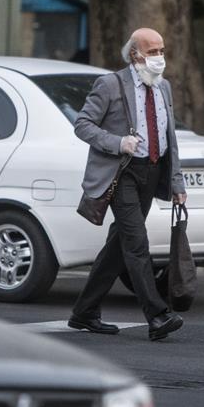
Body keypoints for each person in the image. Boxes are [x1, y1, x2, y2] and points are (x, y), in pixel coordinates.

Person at [68, 27, 187, 341]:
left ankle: (84, 312)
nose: (159, 58)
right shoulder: (110, 84)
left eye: (162, 51)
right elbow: (82, 125)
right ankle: (158, 316)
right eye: (152, 52)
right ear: (135, 54)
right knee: (136, 243)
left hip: (151, 173)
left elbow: (168, 138)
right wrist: (117, 142)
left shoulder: (164, 89)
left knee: (119, 246)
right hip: (122, 173)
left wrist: (176, 182)